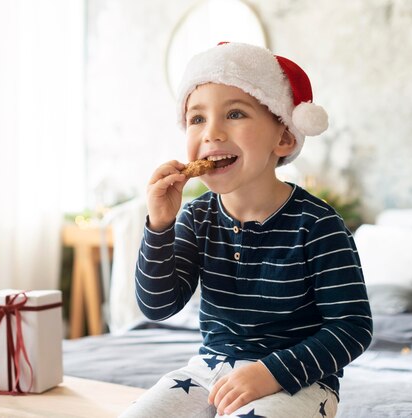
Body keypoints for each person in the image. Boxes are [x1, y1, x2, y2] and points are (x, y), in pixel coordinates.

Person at [120, 42, 372, 418]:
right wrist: (159, 226)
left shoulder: (318, 225)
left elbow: (352, 327)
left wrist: (270, 373)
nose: (212, 133)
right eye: (197, 118)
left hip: (298, 381)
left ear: (284, 137)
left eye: (235, 113)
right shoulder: (196, 217)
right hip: (208, 371)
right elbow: (158, 307)